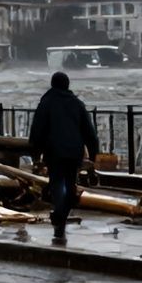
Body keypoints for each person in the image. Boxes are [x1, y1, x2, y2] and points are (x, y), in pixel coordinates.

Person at [29, 71, 101, 246]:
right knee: (70, 185)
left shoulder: (46, 103)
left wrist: (35, 154)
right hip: (74, 151)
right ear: (67, 85)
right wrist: (93, 154)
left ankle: (59, 215)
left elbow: (37, 130)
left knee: (57, 183)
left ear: (52, 85)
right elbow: (89, 132)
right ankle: (61, 215)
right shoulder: (77, 104)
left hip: (54, 151)